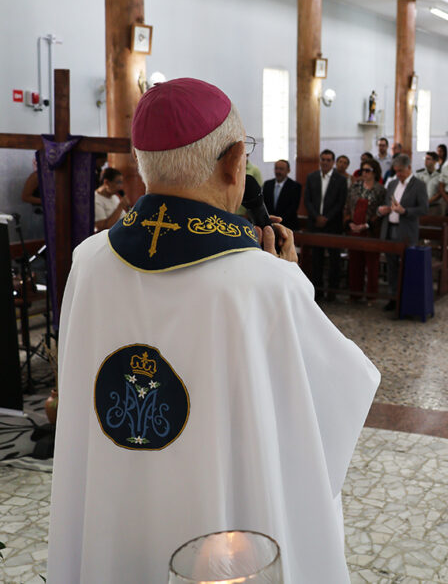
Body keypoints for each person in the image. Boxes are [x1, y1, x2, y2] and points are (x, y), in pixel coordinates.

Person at [48, 78, 380, 584]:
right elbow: (333, 401)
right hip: (222, 541)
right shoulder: (266, 283)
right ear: (234, 165)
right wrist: (290, 277)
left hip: (114, 514)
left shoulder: (87, 263)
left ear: (143, 163)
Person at [378, 154, 429, 311]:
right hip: (390, 227)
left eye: (400, 171)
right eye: (396, 171)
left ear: (409, 168)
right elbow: (387, 203)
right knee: (391, 266)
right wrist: (383, 210)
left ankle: (405, 299)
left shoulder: (418, 185)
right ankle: (393, 297)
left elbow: (424, 209)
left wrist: (405, 211)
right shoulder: (392, 183)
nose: (398, 174)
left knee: (406, 265)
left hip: (406, 230)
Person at [304, 149, 348, 301]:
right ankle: (317, 290)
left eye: (328, 160)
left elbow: (340, 203)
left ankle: (332, 291)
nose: (325, 162)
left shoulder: (340, 180)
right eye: (323, 159)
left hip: (332, 224)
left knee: (334, 259)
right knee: (316, 259)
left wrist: (326, 218)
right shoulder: (312, 177)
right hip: (315, 224)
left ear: (333, 162)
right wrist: (317, 217)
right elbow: (307, 200)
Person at [345, 160, 386, 304]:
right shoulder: (355, 187)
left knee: (372, 265)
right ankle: (355, 294)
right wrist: (349, 222)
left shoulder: (380, 189)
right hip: (354, 230)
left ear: (375, 172)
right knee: (355, 264)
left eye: (368, 170)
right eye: (362, 170)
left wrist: (367, 224)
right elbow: (347, 206)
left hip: (370, 231)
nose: (364, 173)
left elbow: (381, 212)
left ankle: (371, 296)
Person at [262, 159, 301, 231]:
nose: (278, 171)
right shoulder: (267, 184)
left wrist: (278, 221)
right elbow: (264, 204)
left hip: (288, 226)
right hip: (270, 225)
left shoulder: (295, 186)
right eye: (276, 168)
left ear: (288, 170)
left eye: (281, 169)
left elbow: (293, 208)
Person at [94, 167, 131, 231]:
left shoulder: (114, 196)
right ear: (106, 182)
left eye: (121, 183)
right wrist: (120, 207)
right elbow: (102, 228)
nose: (121, 186)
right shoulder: (96, 199)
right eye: (118, 182)